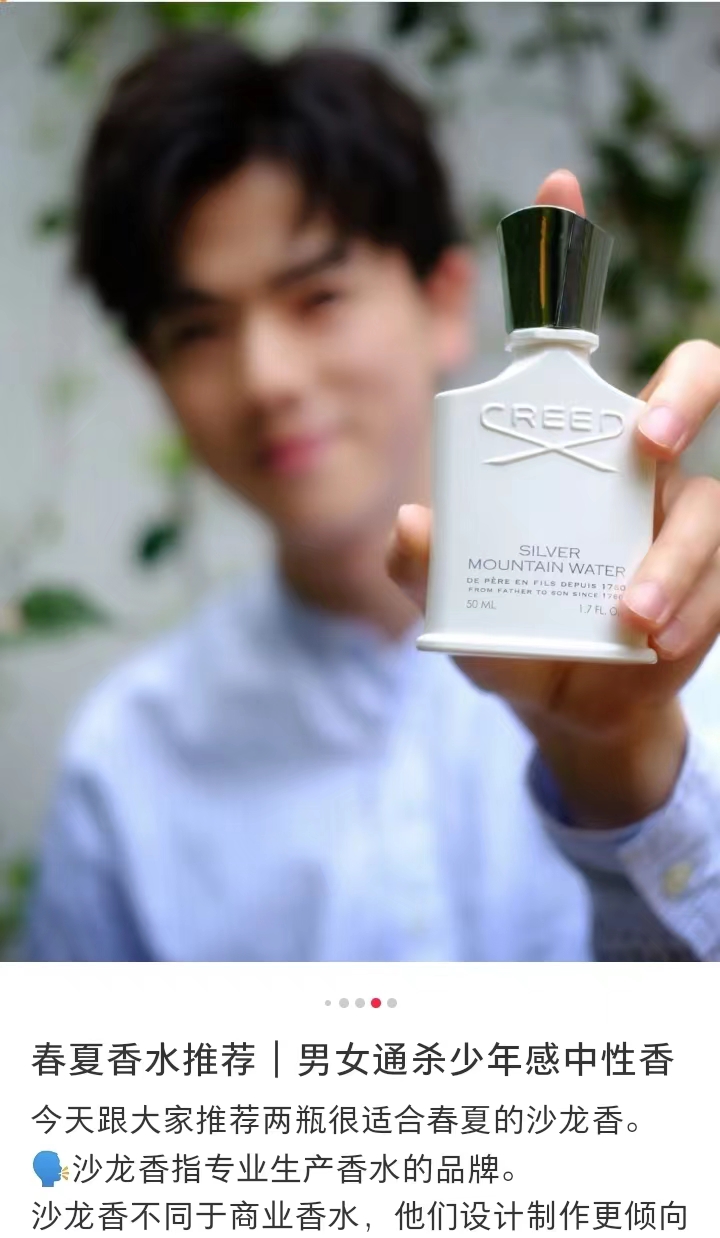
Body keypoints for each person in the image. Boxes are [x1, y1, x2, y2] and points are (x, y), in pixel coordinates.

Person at [25, 33, 720, 962]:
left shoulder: (683, 655)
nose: (267, 378)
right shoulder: (125, 767)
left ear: (444, 300)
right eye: (198, 329)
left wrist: (623, 763)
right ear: (155, 373)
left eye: (317, 297)